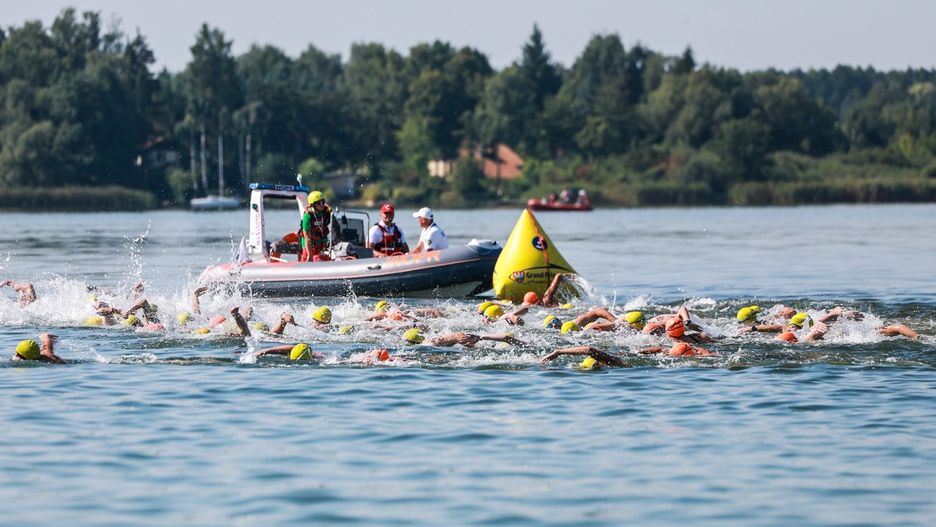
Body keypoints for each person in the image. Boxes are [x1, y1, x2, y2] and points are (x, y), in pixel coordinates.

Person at [300, 190, 339, 262]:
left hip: (321, 241)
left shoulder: (327, 212)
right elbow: (307, 237)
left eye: (323, 202)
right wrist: (310, 256)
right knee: (311, 259)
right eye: (319, 203)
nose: (322, 205)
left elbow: (336, 227)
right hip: (308, 244)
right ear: (312, 205)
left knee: (323, 258)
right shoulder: (307, 216)